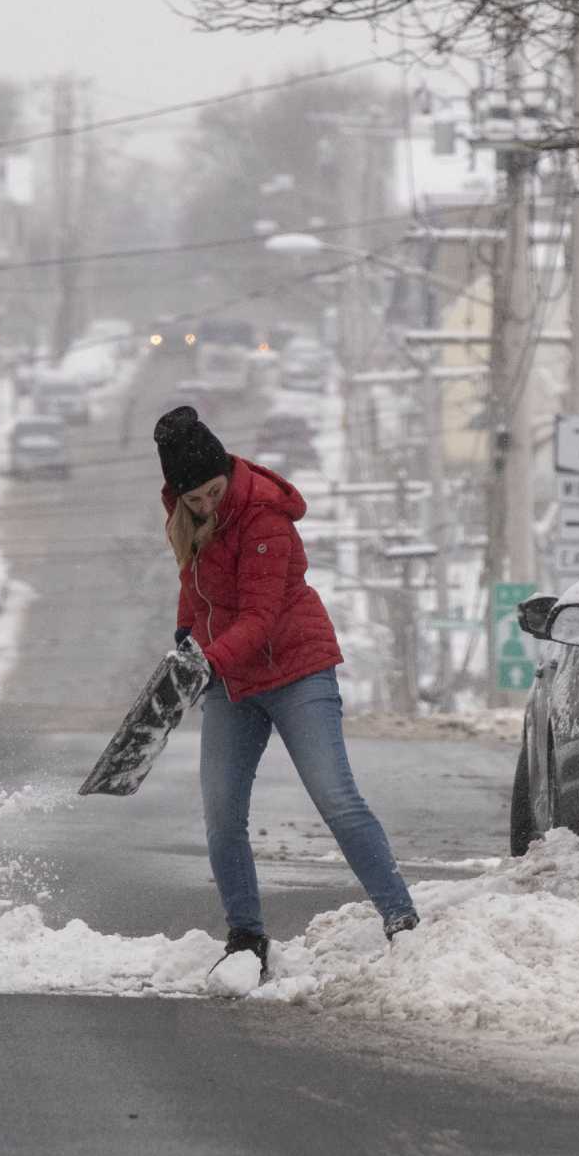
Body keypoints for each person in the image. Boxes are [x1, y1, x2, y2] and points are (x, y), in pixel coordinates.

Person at [153, 405, 420, 977]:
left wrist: (207, 663)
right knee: (222, 815)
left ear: (226, 470)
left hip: (297, 670)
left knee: (336, 798)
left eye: (212, 492)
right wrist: (185, 638)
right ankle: (246, 938)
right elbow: (195, 590)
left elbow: (260, 616)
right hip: (232, 679)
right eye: (193, 498)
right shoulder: (186, 514)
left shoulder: (265, 516)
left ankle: (402, 920)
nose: (206, 505)